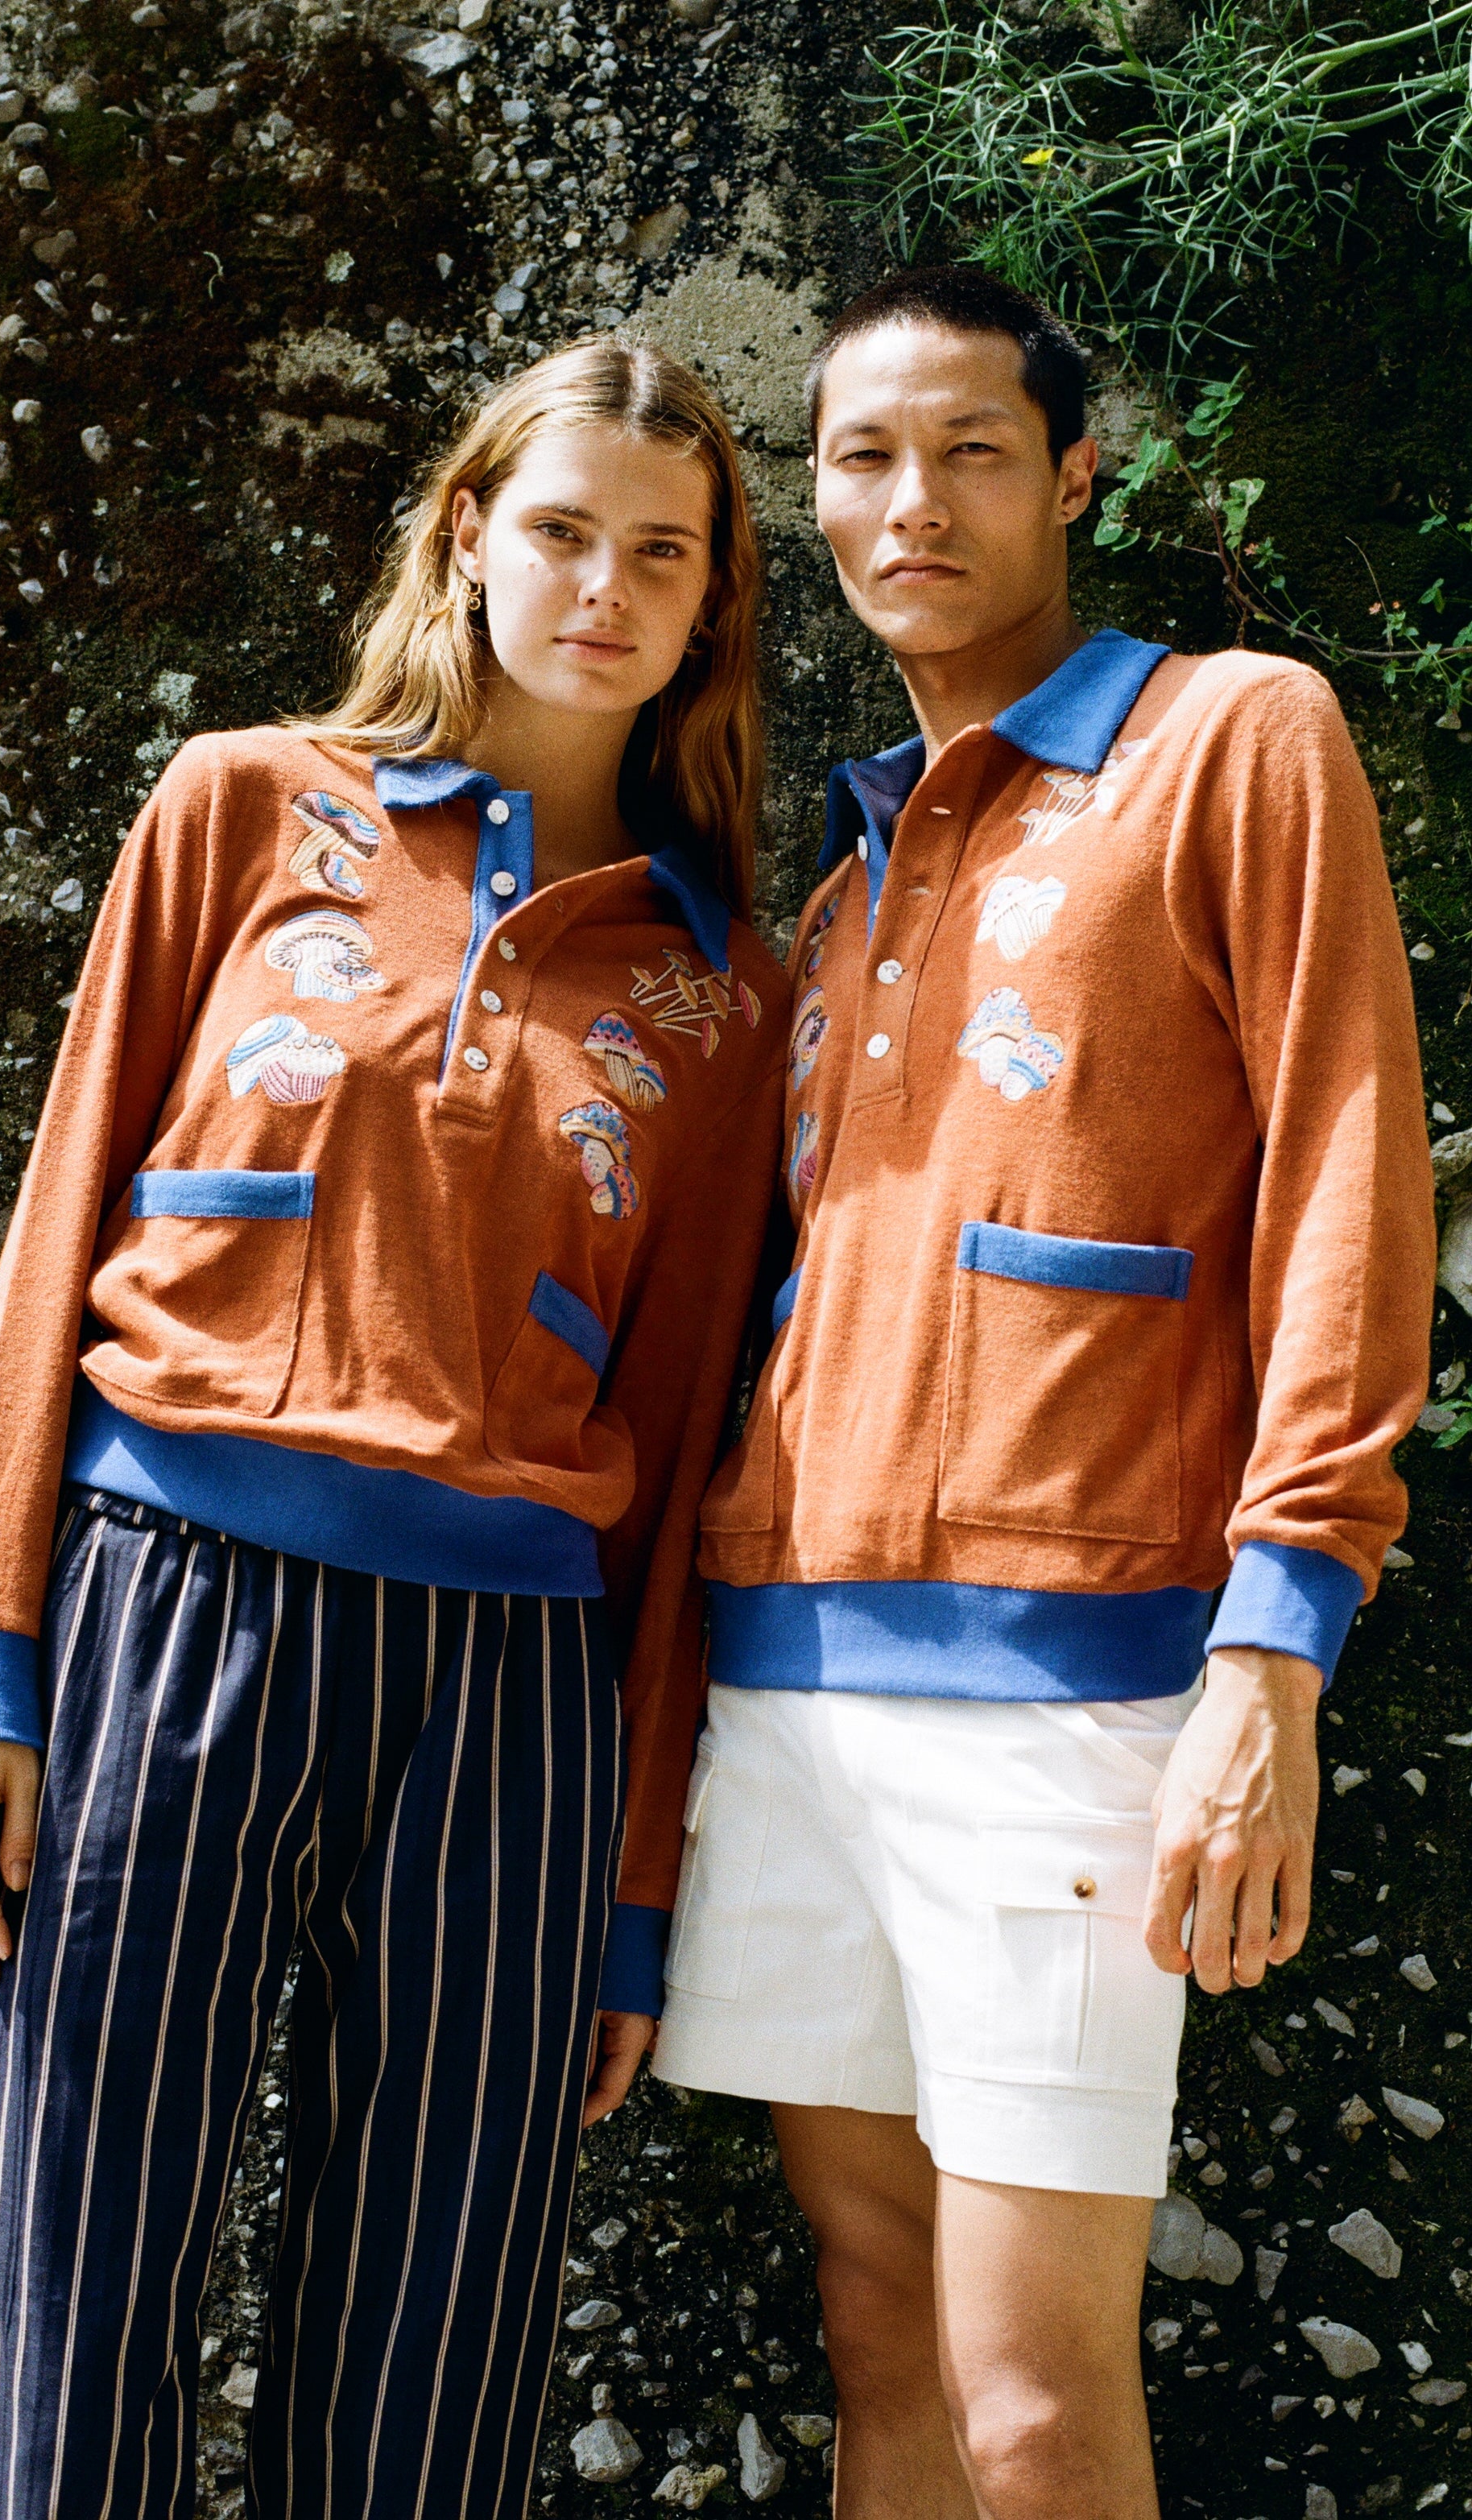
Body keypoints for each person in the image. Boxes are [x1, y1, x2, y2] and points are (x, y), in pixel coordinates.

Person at [0, 335, 787, 2520]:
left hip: (512, 1687)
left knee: (437, 2346)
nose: (604, 581)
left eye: (659, 552)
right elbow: (53, 1230)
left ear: (707, 607)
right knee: (72, 2262)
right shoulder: (243, 806)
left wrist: (631, 1887)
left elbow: (681, 1464)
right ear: (468, 532)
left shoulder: (724, 991)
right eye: (563, 526)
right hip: (165, 1609)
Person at [651, 266, 1436, 2519]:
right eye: (862, 458)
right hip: (782, 1683)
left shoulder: (1233, 737)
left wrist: (1272, 1648)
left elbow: (1342, 1193)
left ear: (1074, 477)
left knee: (1028, 2400)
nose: (911, 500)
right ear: (812, 498)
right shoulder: (832, 888)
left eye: (971, 451)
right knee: (873, 2328)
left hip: (1070, 1694)